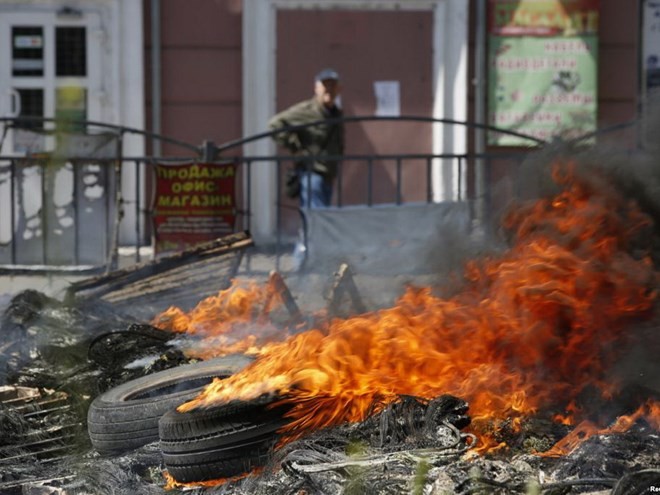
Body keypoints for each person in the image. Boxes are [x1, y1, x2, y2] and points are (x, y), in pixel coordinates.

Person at [268, 68, 345, 269]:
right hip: (312, 175)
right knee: (317, 221)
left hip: (327, 175)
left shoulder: (335, 112)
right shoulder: (307, 110)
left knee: (314, 221)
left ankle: (304, 265)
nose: (329, 90)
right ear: (316, 88)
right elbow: (275, 124)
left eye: (332, 85)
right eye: (324, 85)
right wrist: (295, 146)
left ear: (338, 88)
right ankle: (308, 266)